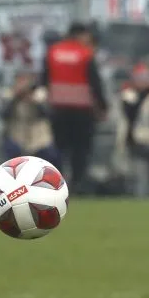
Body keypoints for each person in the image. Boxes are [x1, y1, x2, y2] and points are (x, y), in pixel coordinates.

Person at [41, 22, 107, 190]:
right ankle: (77, 184)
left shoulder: (53, 52)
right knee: (81, 150)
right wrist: (103, 106)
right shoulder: (85, 53)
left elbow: (44, 79)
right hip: (82, 110)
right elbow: (95, 83)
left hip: (58, 109)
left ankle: (56, 184)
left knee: (59, 148)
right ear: (80, 35)